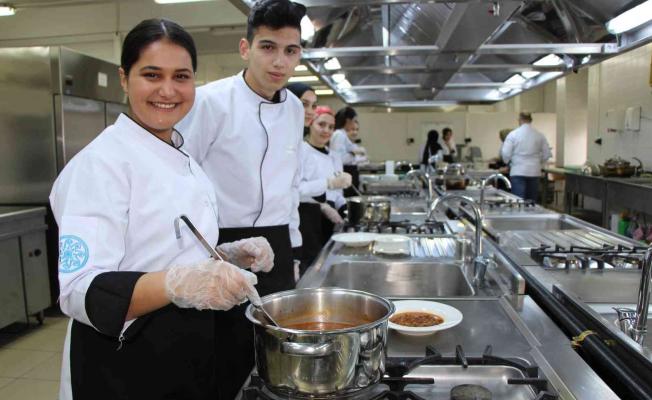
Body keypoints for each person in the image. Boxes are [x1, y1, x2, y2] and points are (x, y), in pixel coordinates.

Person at [50, 19, 274, 400]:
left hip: (182, 351)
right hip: (122, 363)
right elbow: (79, 290)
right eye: (152, 75)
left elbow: (158, 247)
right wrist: (177, 283)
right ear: (125, 79)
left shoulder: (182, 157)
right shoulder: (101, 164)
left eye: (181, 76)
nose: (168, 91)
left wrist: (222, 256)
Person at [176, 1, 306, 398]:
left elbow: (292, 182)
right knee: (226, 359)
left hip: (277, 245)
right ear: (245, 48)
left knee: (277, 356)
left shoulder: (295, 107)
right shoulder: (210, 101)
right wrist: (207, 252)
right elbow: (179, 178)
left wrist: (294, 248)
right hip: (223, 244)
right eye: (268, 47)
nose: (280, 62)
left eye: (291, 50)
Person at [298, 106, 351, 273]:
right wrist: (322, 204)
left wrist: (345, 207)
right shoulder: (301, 151)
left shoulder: (334, 156)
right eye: (321, 124)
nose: (326, 130)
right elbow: (297, 190)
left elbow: (337, 193)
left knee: (329, 265)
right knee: (311, 268)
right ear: (310, 124)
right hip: (307, 217)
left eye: (331, 127)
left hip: (331, 219)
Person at [501, 112, 552, 202]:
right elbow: (547, 154)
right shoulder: (539, 135)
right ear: (531, 120)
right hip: (534, 172)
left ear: (520, 120)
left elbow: (505, 153)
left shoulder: (513, 134)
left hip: (518, 171)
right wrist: (538, 162)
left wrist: (508, 162)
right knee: (531, 202)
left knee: (518, 202)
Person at [331, 106, 365, 196]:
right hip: (344, 172)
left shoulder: (343, 134)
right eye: (354, 120)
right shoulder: (339, 135)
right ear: (348, 120)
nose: (354, 123)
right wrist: (354, 153)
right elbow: (340, 159)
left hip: (348, 173)